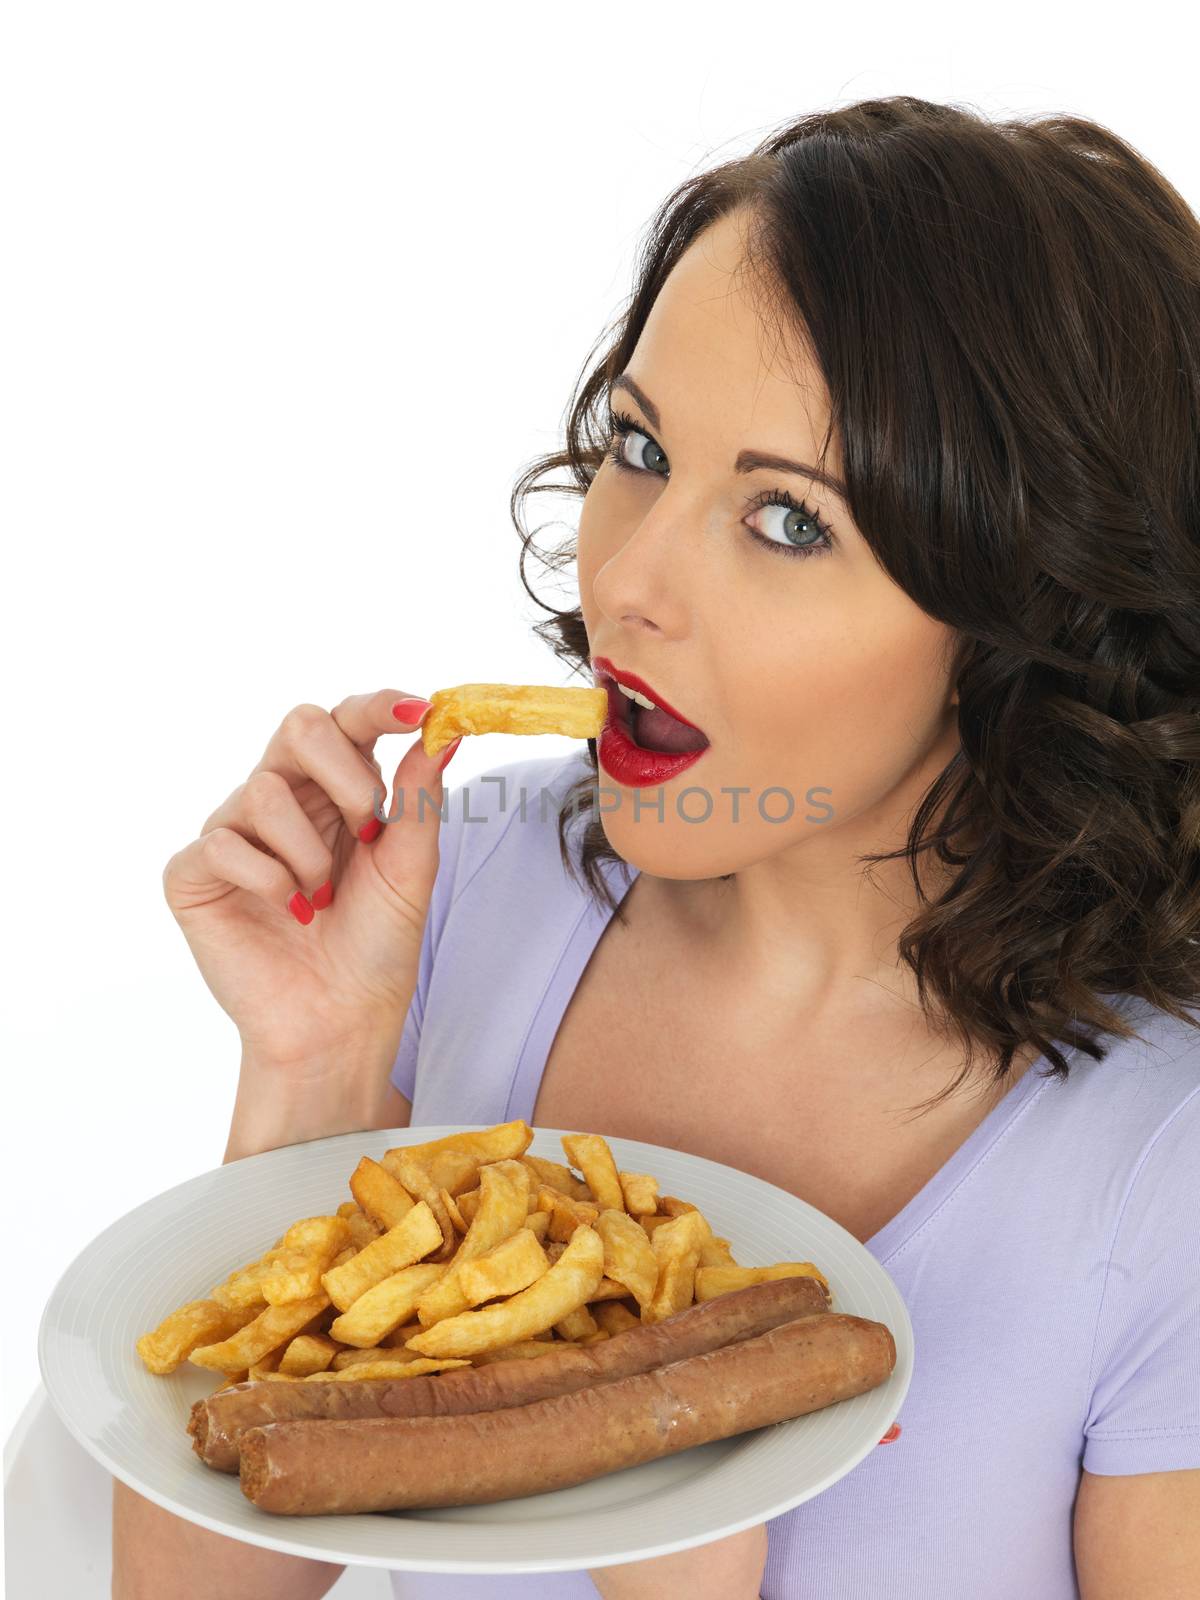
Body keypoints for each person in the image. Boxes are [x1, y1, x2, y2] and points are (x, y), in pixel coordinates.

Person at [112, 95, 1200, 1599]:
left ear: (1027, 617)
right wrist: (316, 1070)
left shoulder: (1163, 1169)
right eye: (639, 445)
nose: (626, 577)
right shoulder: (459, 894)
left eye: (788, 521)